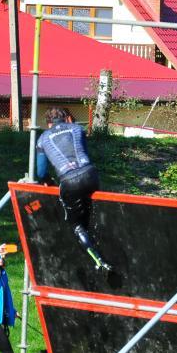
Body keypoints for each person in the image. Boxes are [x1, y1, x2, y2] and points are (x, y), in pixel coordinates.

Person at [36, 107, 110, 270]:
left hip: (69, 181)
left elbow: (41, 172)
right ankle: (108, 245)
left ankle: (99, 260)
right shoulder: (77, 128)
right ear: (66, 118)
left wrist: (49, 181)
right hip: (90, 174)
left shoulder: (42, 139)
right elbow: (83, 152)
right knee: (94, 211)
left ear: (48, 123)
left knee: (76, 224)